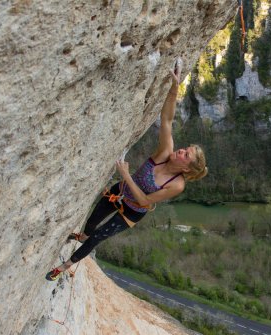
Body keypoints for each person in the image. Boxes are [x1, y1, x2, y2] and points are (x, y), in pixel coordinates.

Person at [46, 60, 207, 281]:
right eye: (184, 149)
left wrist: (126, 175)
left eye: (185, 155)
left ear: (187, 168)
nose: (180, 151)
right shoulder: (165, 152)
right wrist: (174, 88)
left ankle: (63, 267)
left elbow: (144, 200)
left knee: (98, 237)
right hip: (119, 191)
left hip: (132, 211)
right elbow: (167, 120)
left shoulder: (176, 185)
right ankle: (81, 236)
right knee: (91, 224)